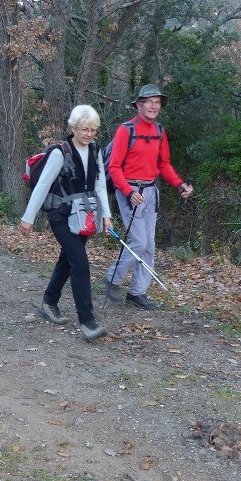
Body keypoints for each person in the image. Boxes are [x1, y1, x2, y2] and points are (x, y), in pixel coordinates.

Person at [20, 105, 112, 342]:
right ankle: (87, 321)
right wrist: (28, 218)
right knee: (80, 261)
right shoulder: (60, 152)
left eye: (93, 130)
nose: (89, 134)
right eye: (84, 129)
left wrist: (106, 215)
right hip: (61, 215)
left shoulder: (95, 150)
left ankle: (49, 301)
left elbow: (100, 184)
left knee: (69, 259)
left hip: (84, 215)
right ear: (73, 128)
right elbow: (42, 186)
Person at [104, 84, 193, 309]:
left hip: (151, 192)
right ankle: (113, 278)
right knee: (139, 241)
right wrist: (128, 192)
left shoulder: (159, 131)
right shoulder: (126, 130)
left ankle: (137, 292)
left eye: (157, 102)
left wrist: (179, 184)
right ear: (139, 105)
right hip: (130, 192)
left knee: (149, 245)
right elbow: (114, 168)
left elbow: (163, 164)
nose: (154, 106)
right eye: (149, 102)